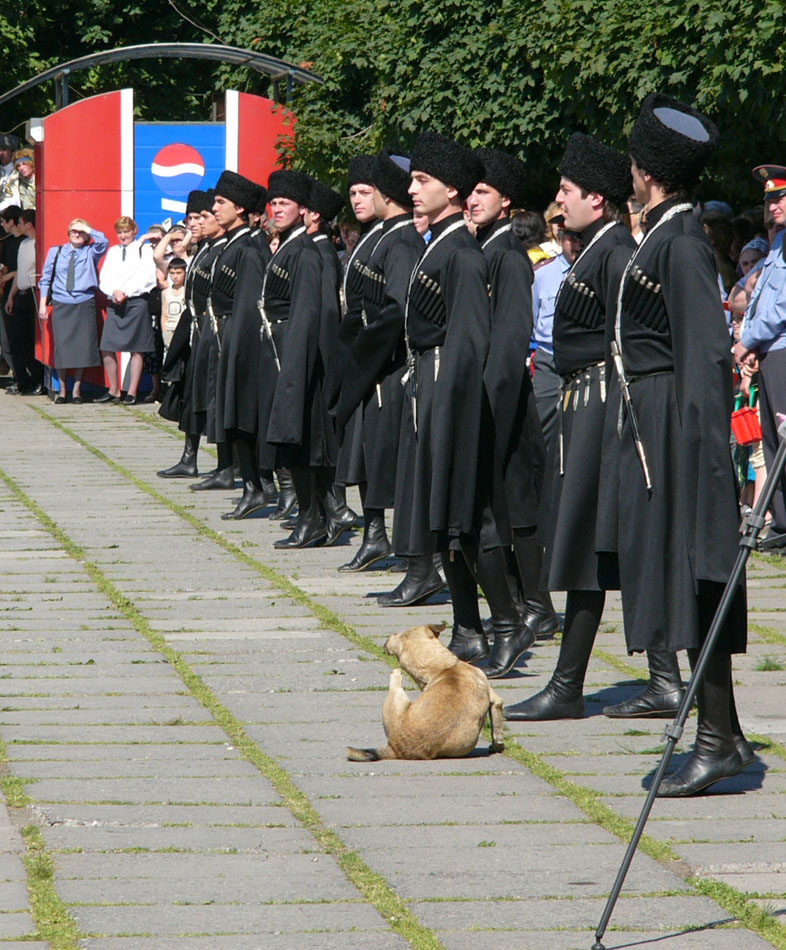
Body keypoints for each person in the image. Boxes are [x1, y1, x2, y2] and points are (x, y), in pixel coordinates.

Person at [598, 93, 750, 796]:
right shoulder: (662, 231)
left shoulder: (683, 241)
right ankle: (729, 734)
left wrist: (699, 459)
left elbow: (704, 355)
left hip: (676, 432)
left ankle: (715, 740)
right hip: (652, 421)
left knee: (697, 578)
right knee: (678, 578)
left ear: (647, 170)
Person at [506, 133, 684, 721]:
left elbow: (629, 341)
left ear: (598, 201)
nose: (558, 202)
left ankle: (654, 680)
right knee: (592, 546)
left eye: (567, 191)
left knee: (614, 543)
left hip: (608, 407)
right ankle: (575, 683)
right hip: (587, 406)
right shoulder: (593, 251)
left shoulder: (613, 255)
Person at [457, 148, 559, 675]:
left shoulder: (509, 254)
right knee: (505, 505)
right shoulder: (486, 247)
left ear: (506, 200)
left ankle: (535, 609)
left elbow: (510, 339)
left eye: (483, 193)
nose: (472, 200)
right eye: (470, 192)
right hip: (493, 397)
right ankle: (526, 608)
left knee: (514, 507)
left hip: (505, 401)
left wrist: (487, 407)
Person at [386, 132, 489, 613]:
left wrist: (446, 409)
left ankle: (504, 622)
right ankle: (468, 624)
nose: (411, 189)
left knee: (455, 517)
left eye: (422, 180)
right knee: (434, 510)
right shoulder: (438, 244)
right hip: (426, 383)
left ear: (451, 191)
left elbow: (467, 345)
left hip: (445, 389)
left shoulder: (462, 254)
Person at [334, 150, 424, 572]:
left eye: (364, 191)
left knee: (388, 457)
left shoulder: (402, 238)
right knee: (367, 451)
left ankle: (402, 545)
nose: (356, 200)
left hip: (386, 363)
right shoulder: (380, 234)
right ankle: (375, 534)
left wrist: (362, 354)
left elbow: (396, 309)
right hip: (367, 357)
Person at [737, 164, 786, 553]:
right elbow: (759, 301)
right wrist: (752, 345)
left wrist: (748, 339)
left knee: (783, 439)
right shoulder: (777, 246)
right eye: (769, 199)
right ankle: (782, 524)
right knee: (770, 441)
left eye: (781, 197)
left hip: (783, 349)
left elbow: (782, 306)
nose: (773, 205)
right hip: (769, 351)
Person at [158, 190, 223, 479]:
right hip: (195, 330)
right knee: (190, 397)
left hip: (213, 332)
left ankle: (226, 466)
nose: (193, 224)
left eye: (200, 218)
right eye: (190, 219)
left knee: (214, 399)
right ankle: (189, 457)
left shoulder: (219, 249)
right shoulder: (203, 249)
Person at [38, 218, 108, 403]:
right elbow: (45, 279)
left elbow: (104, 241)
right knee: (62, 348)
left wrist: (87, 228)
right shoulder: (56, 251)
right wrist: (42, 304)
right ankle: (62, 390)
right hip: (62, 303)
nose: (77, 234)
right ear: (68, 234)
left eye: (80, 232)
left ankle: (77, 390)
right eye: (73, 231)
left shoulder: (91, 251)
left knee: (83, 348)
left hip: (84, 302)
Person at [530, 222, 581, 461]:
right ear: (560, 238)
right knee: (541, 430)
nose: (576, 245)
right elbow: (531, 320)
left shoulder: (590, 271)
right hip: (547, 361)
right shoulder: (542, 275)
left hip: (580, 362)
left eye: (580, 238)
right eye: (571, 238)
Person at [97, 216, 157, 404]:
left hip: (137, 301)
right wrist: (113, 291)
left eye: (126, 231)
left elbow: (146, 276)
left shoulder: (145, 250)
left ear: (134, 231)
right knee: (107, 346)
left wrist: (127, 292)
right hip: (115, 301)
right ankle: (114, 390)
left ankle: (131, 392)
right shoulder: (113, 251)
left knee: (137, 348)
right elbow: (104, 277)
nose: (123, 236)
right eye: (120, 232)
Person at [4, 208, 43, 394]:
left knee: (31, 340)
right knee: (17, 341)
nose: (18, 226)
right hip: (20, 294)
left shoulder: (39, 243)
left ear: (28, 224)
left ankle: (38, 379)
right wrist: (11, 296)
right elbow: (20, 271)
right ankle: (24, 379)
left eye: (20, 222)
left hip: (32, 294)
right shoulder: (25, 244)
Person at [160, 258, 187, 350]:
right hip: (169, 330)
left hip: (183, 330)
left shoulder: (187, 291)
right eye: (172, 273)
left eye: (179, 273)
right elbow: (164, 315)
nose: (175, 276)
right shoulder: (165, 293)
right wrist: (164, 332)